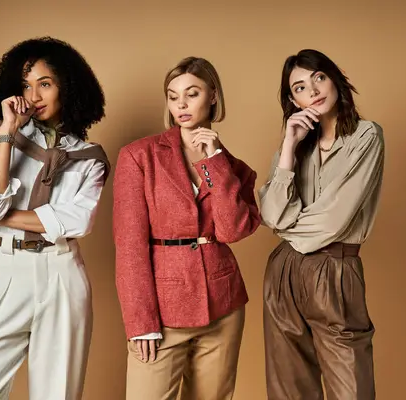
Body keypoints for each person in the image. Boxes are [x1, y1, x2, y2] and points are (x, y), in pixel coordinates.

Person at [0, 36, 110, 400]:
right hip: (6, 270)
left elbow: (77, 222)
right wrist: (8, 133)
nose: (34, 95)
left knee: (58, 393)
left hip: (62, 274)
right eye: (26, 85)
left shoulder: (89, 157)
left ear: (67, 88)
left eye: (45, 83)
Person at [113, 56, 261, 400]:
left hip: (223, 306)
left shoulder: (234, 167)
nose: (181, 103)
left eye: (191, 93)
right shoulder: (139, 156)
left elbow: (233, 230)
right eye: (173, 95)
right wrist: (140, 322)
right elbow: (130, 243)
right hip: (162, 312)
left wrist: (214, 162)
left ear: (212, 96)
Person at [259, 49, 384, 400]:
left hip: (335, 269)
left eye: (318, 78)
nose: (312, 90)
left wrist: (286, 227)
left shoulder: (365, 137)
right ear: (292, 100)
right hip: (284, 272)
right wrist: (287, 146)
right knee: (289, 389)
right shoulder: (296, 147)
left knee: (351, 388)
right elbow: (270, 214)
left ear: (334, 77)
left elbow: (334, 219)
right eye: (299, 87)